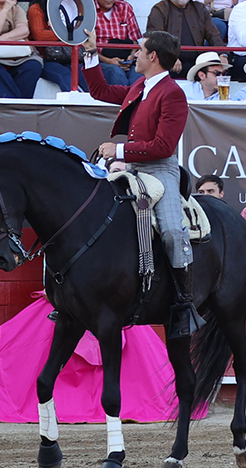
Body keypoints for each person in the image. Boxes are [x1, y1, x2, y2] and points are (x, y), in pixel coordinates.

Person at [81, 28, 204, 336]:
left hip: (160, 169)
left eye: (139, 50)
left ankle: (184, 303)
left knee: (173, 231)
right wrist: (91, 53)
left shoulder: (173, 94)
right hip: (132, 168)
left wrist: (118, 150)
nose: (134, 54)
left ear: (153, 56)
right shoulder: (141, 85)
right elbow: (100, 91)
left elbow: (163, 146)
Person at [146, 0, 227, 78]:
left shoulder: (199, 8)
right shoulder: (159, 9)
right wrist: (170, 57)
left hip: (197, 63)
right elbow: (155, 39)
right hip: (168, 64)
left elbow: (213, 34)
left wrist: (222, 53)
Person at [27, 0, 82, 93]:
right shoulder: (36, 8)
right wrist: (69, 33)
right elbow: (40, 36)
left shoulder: (70, 6)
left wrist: (61, 33)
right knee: (64, 75)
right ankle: (74, 104)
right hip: (46, 58)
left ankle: (94, 103)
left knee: (84, 73)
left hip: (70, 56)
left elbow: (82, 30)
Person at [90, 0, 144, 86]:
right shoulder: (88, 11)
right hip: (101, 60)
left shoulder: (125, 8)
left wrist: (131, 57)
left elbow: (135, 40)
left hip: (127, 58)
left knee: (140, 76)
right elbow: (87, 48)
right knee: (117, 74)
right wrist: (109, 61)